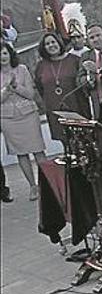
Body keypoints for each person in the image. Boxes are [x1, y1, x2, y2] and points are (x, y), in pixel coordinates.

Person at [0, 41, 46, 201]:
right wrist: (6, 90)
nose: (2, 56)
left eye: (5, 53)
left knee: (38, 150)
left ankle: (47, 184)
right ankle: (33, 186)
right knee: (21, 153)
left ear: (10, 54)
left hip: (28, 115)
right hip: (8, 118)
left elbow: (30, 94)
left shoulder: (22, 69)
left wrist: (16, 87)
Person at [33, 32, 89, 146]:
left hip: (77, 106)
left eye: (53, 42)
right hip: (55, 109)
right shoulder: (41, 66)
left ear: (59, 43)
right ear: (44, 48)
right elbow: (40, 88)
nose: (51, 45)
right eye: (47, 44)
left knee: (84, 142)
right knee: (66, 144)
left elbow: (83, 82)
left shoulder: (74, 60)